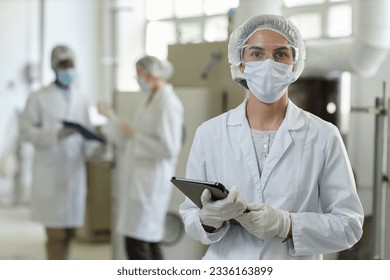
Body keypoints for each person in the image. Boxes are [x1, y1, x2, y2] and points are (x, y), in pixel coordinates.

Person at [179, 14, 364, 260]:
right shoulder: (210, 133)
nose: (268, 63)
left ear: (294, 65)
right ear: (241, 64)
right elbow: (191, 215)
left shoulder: (323, 136)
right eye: (256, 53)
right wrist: (208, 219)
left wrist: (285, 224)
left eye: (280, 54)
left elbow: (349, 226)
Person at [99, 55, 184, 260]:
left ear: (153, 75)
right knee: (146, 241)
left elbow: (169, 148)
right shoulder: (152, 100)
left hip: (150, 184)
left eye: (140, 75)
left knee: (138, 244)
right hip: (141, 182)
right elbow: (134, 138)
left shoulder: (168, 104)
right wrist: (113, 120)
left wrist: (135, 135)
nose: (138, 80)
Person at [19, 45, 98, 260]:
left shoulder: (81, 99)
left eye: (71, 66)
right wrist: (56, 134)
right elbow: (26, 132)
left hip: (74, 174)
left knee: (70, 233)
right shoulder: (38, 97)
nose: (68, 71)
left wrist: (95, 148)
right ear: (54, 69)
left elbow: (87, 133)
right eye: (64, 67)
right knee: (55, 235)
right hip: (50, 172)